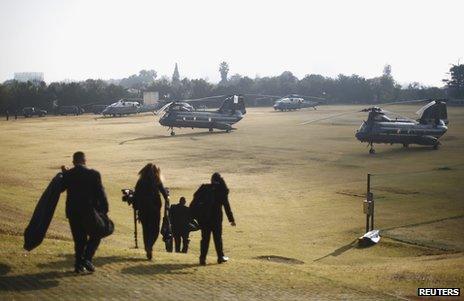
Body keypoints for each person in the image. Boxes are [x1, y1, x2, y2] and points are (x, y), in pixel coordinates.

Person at [61, 151, 109, 273]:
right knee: (97, 233)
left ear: (73, 162)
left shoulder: (68, 175)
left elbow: (61, 188)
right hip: (89, 211)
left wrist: (65, 173)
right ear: (85, 161)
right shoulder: (93, 174)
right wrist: (104, 210)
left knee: (79, 239)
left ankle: (78, 264)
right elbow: (101, 194)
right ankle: (87, 259)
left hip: (73, 212)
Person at [134, 163, 169, 260]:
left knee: (146, 229)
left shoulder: (140, 181)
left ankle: (147, 247)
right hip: (154, 209)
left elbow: (136, 196)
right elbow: (164, 194)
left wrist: (136, 207)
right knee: (155, 230)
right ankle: (149, 246)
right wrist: (167, 199)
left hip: (143, 210)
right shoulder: (157, 180)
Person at [199, 172, 235, 266]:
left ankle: (202, 258)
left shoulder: (205, 188)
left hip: (205, 218)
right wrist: (231, 219)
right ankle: (220, 257)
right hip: (216, 219)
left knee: (205, 239)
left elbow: (196, 200)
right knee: (218, 238)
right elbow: (226, 206)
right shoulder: (222, 191)